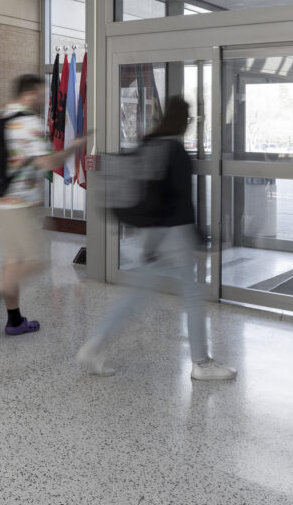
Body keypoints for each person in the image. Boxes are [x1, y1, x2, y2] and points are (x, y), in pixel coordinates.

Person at [75, 95, 237, 380]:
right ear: (184, 121)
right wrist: (199, 242)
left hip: (148, 235)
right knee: (192, 296)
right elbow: (183, 202)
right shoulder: (175, 152)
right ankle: (201, 363)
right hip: (174, 236)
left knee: (135, 296)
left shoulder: (149, 143)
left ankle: (94, 344)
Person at [0, 74, 85, 336]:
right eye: (42, 94)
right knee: (38, 260)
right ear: (30, 94)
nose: (44, 100)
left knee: (13, 260)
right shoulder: (28, 123)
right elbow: (47, 163)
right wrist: (72, 148)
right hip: (21, 204)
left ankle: (14, 320)